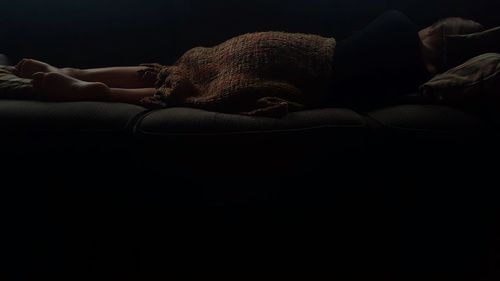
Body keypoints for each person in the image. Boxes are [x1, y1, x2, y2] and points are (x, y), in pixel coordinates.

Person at [5, 10, 490, 112]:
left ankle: (78, 72)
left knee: (182, 66)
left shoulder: (396, 30)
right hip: (299, 67)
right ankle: (101, 92)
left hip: (275, 44)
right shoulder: (400, 72)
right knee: (188, 91)